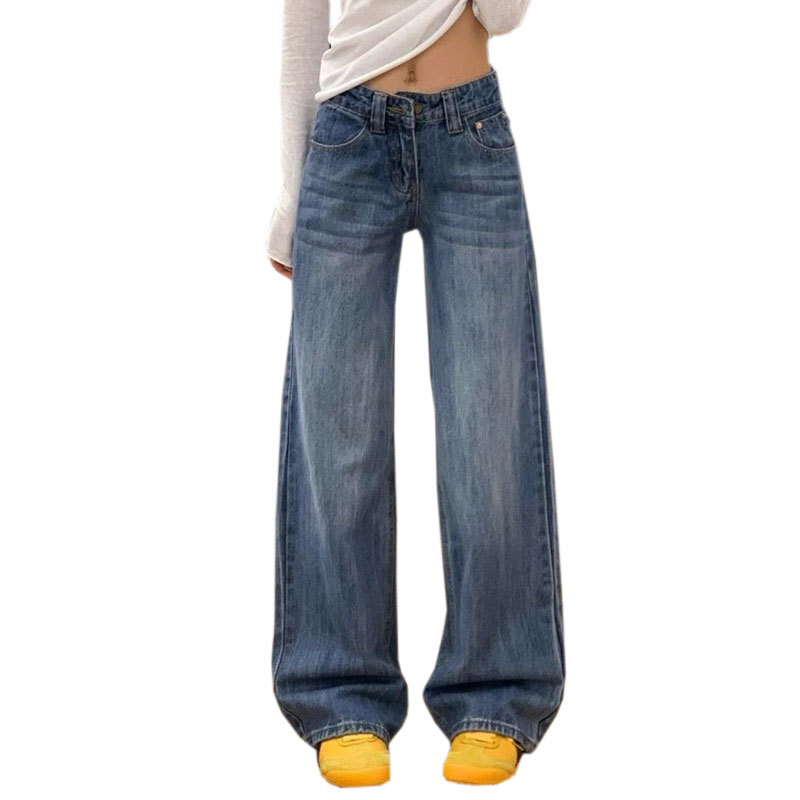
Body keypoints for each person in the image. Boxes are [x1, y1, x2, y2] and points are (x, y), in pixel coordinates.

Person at [267, 0, 564, 786]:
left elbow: (503, 16)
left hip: (470, 132)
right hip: (345, 137)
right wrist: (292, 195)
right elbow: (303, 30)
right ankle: (342, 695)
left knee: (488, 433)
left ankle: (496, 694)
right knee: (338, 437)